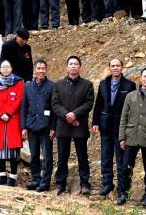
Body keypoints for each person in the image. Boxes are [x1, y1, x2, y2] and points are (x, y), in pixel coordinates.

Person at [114, 67, 146, 207]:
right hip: (131, 136)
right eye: (145, 76)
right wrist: (121, 137)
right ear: (140, 78)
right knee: (126, 167)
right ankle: (123, 193)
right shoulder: (130, 96)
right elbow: (123, 118)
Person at [92, 58, 136, 196]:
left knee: (122, 160)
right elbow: (98, 104)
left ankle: (123, 188)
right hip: (105, 126)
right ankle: (107, 184)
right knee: (106, 158)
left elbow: (132, 109)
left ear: (122, 68)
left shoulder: (130, 86)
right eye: (112, 66)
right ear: (109, 68)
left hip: (121, 129)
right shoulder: (104, 84)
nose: (115, 68)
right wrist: (95, 122)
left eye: (117, 66)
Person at [52, 55, 95, 196]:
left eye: (76, 64)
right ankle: (60, 183)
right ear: (67, 67)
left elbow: (88, 104)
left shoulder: (87, 85)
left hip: (79, 126)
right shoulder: (58, 85)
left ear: (80, 67)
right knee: (62, 157)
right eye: (71, 63)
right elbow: (55, 104)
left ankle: (85, 183)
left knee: (82, 156)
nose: (73, 66)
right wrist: (67, 115)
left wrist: (75, 114)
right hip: (63, 126)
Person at [0, 59, 25, 186]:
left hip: (12, 118)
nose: (5, 69)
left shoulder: (19, 82)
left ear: (11, 68)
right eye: (2, 67)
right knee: (0, 148)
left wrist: (8, 113)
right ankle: (2, 174)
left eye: (7, 66)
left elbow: (19, 99)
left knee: (13, 148)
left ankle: (13, 176)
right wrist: (0, 114)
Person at [22, 59, 55, 191]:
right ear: (34, 70)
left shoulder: (52, 86)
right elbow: (24, 107)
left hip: (46, 127)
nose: (41, 71)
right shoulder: (28, 86)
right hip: (31, 126)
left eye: (43, 68)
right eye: (38, 68)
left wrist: (53, 127)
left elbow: (54, 109)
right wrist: (23, 127)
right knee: (34, 155)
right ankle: (36, 179)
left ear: (46, 70)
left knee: (47, 156)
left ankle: (45, 182)